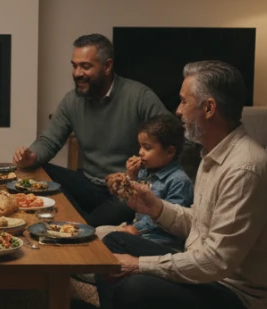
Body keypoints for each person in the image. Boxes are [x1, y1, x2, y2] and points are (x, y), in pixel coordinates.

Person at [72, 61, 267, 309]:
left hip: (242, 300)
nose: (177, 111)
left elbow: (215, 262)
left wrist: (138, 265)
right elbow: (201, 222)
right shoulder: (212, 155)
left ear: (209, 108)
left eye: (184, 101)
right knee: (114, 242)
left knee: (134, 286)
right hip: (209, 275)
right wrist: (156, 208)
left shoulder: (244, 169)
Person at [13, 34, 168, 226]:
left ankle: (82, 225)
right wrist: (32, 156)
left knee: (93, 221)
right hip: (89, 185)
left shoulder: (140, 97)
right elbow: (49, 140)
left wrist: (146, 175)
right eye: (74, 66)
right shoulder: (72, 101)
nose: (77, 73)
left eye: (85, 66)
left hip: (128, 189)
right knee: (38, 169)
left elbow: (171, 140)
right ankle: (82, 222)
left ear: (107, 66)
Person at [107, 114, 193, 251]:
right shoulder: (145, 171)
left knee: (108, 241)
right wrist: (130, 177)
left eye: (147, 148)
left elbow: (173, 220)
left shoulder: (179, 181)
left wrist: (137, 228)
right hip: (140, 233)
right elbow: (131, 203)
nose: (140, 152)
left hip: (161, 242)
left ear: (170, 152)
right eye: (140, 146)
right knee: (99, 232)